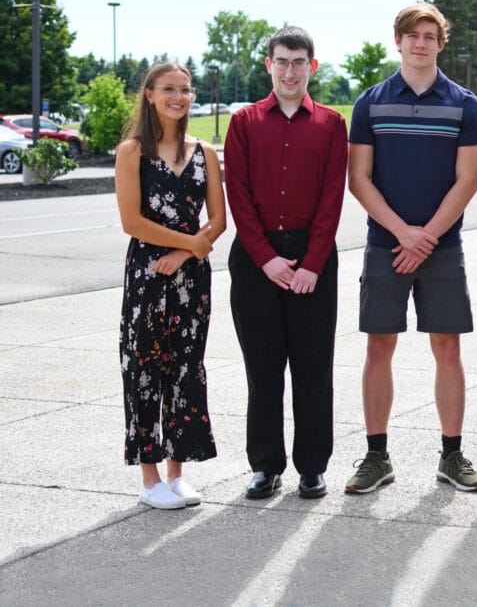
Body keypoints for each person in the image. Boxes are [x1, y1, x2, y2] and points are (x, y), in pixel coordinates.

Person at [346, 3, 477, 494]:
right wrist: (404, 233)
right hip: (386, 244)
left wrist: (425, 239)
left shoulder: (465, 104)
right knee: (378, 345)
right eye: (412, 35)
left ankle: (452, 455)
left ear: (440, 43)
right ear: (398, 41)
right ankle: (376, 456)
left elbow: (467, 182)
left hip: (443, 248)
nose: (420, 43)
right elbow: (358, 180)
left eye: (430, 35)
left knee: (447, 347)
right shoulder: (370, 103)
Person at [224, 26, 348, 500]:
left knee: (314, 369)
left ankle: (312, 466)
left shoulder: (332, 124)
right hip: (257, 260)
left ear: (311, 67)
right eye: (282, 61)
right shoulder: (245, 122)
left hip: (314, 259)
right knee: (263, 368)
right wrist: (267, 260)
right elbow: (238, 194)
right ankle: (265, 466)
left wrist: (312, 263)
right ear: (269, 66)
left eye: (299, 62)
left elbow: (332, 197)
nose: (290, 70)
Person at [115, 62, 225, 510]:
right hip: (148, 274)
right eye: (168, 90)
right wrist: (190, 242)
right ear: (149, 94)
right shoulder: (132, 151)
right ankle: (149, 479)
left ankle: (178, 474)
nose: (178, 97)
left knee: (186, 369)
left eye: (185, 89)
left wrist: (187, 252)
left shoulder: (205, 153)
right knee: (144, 370)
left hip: (190, 279)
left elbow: (218, 221)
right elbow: (131, 222)